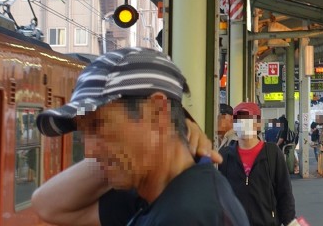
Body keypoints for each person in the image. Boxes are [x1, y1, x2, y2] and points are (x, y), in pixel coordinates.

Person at [31, 47, 250, 226]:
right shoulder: (159, 193)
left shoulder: (186, 216)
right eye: (84, 132)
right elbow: (47, 205)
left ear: (157, 112)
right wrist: (175, 135)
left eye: (98, 126)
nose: (89, 151)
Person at [218, 102, 296, 226]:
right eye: (239, 120)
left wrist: (291, 222)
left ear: (258, 123)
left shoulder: (272, 153)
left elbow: (285, 193)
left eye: (248, 119)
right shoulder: (224, 155)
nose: (243, 123)